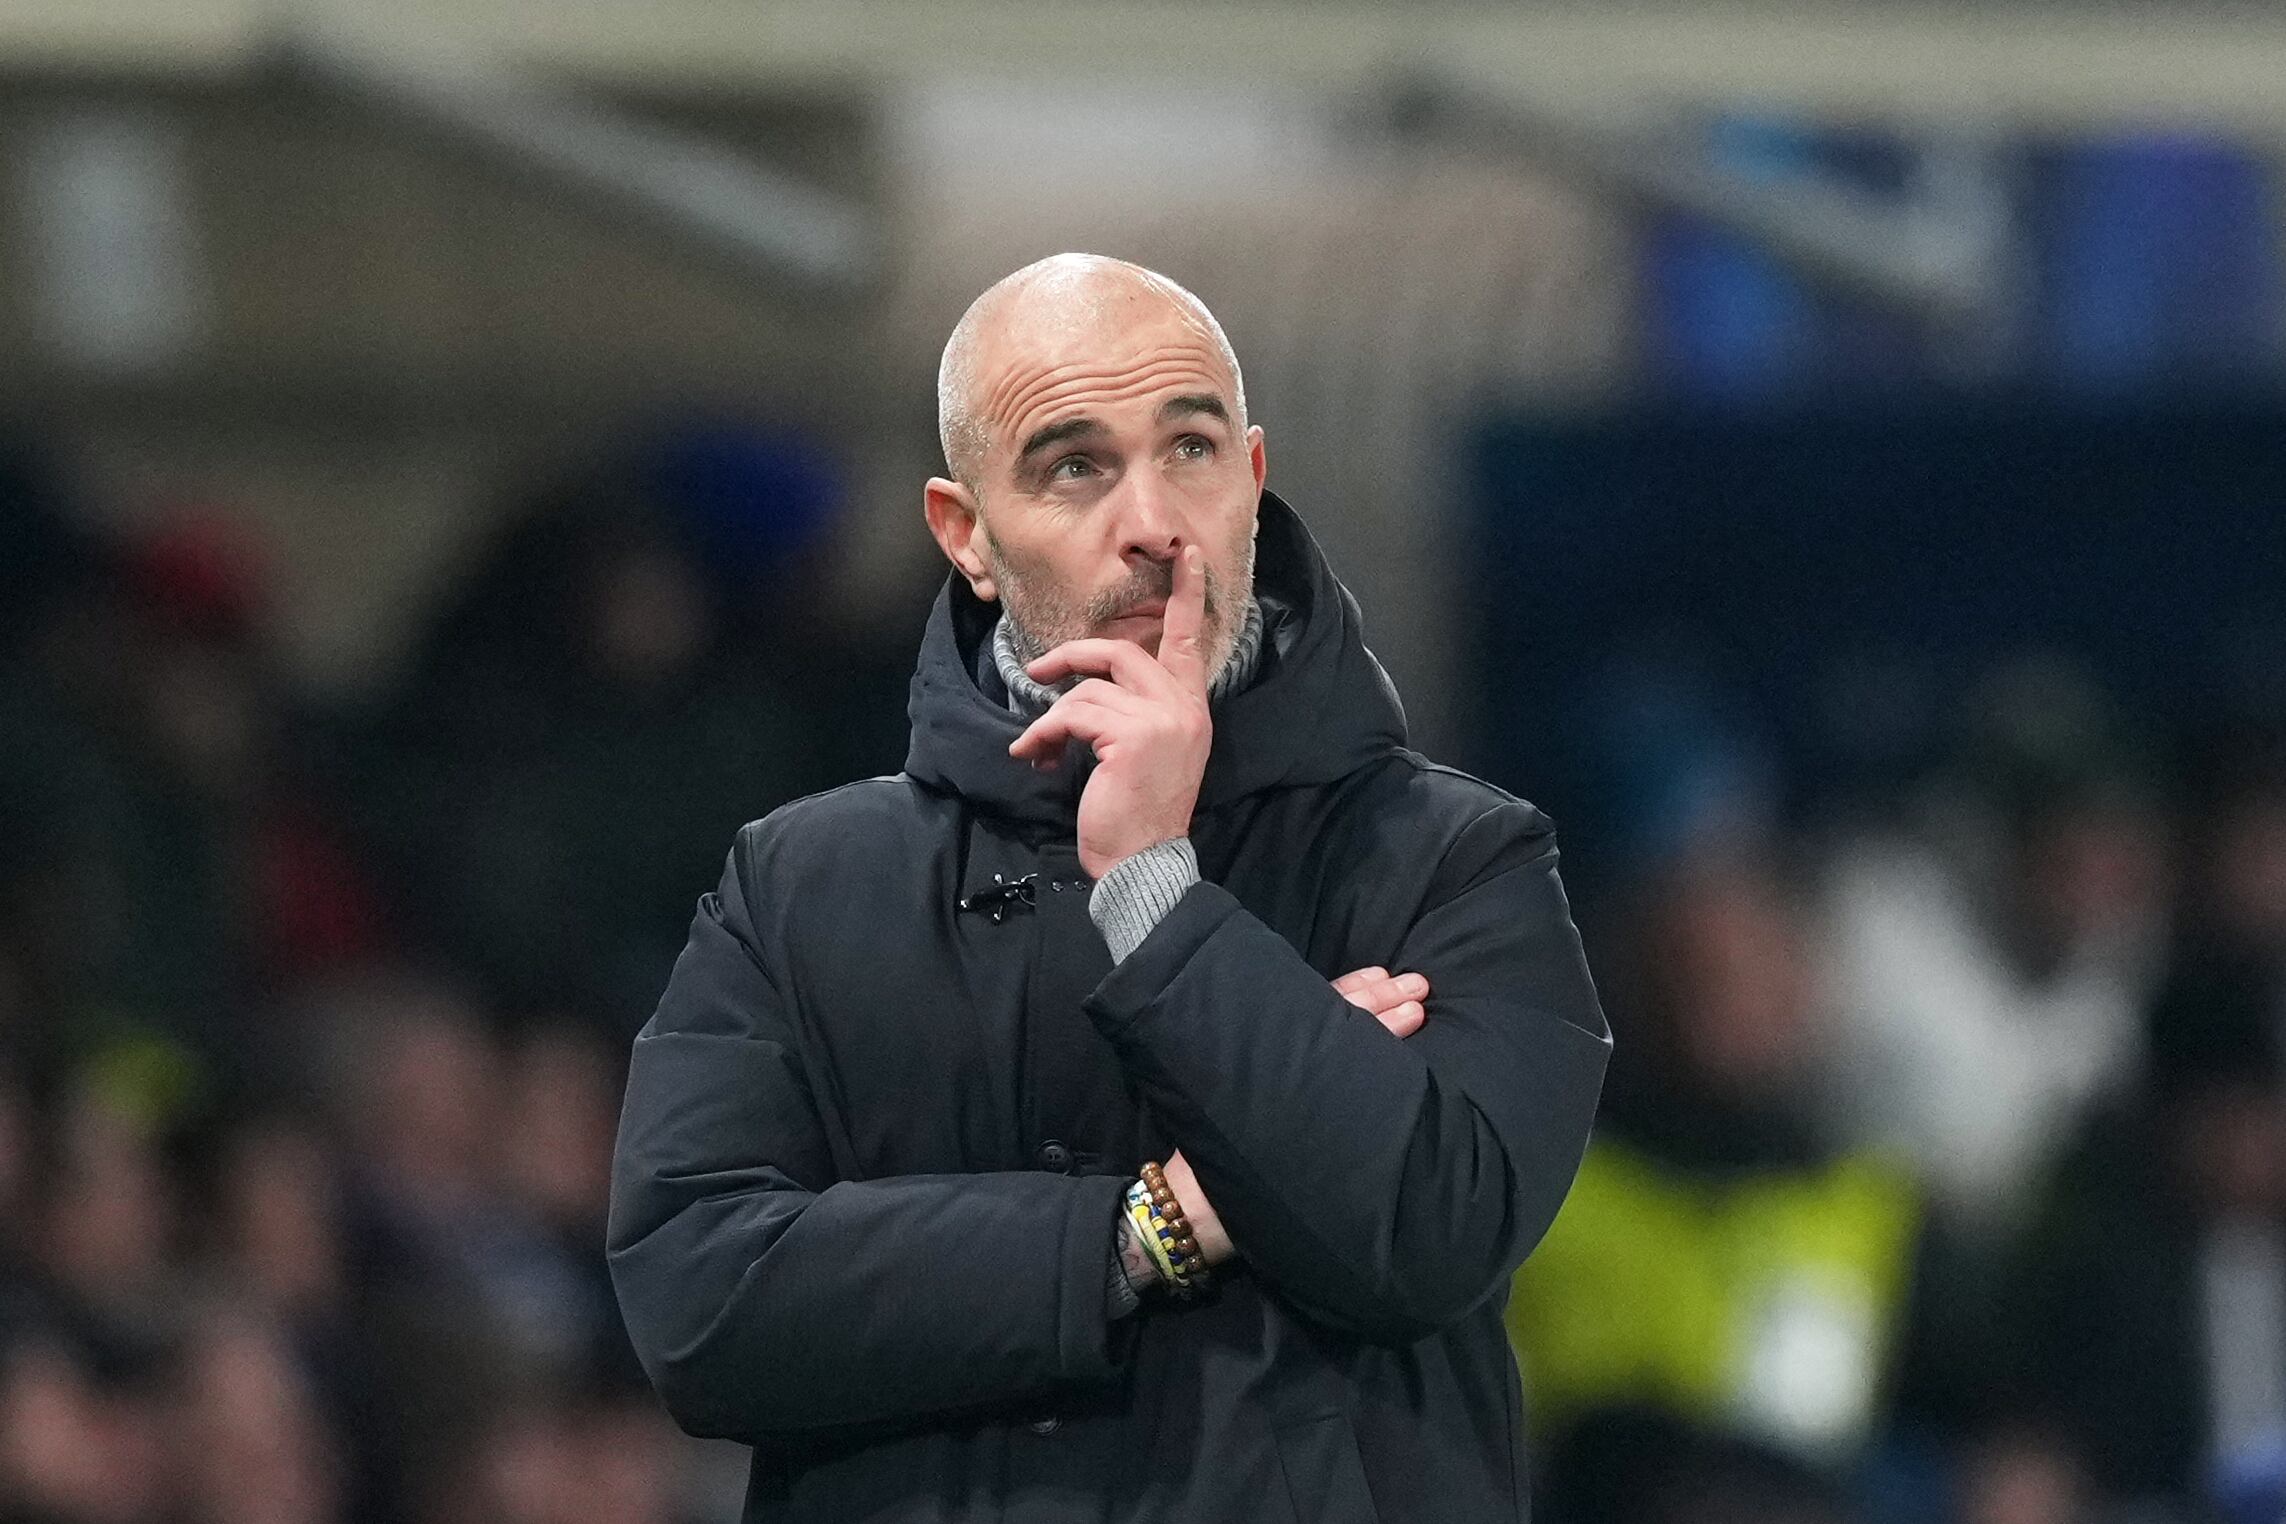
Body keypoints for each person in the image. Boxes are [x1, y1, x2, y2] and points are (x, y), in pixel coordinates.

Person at [607, 253, 1610, 1523]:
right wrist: (1154, 1223)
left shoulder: (1456, 859)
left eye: (1188, 449)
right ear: (964, 535)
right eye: (1074, 466)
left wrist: (1150, 884)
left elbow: (1423, 1235)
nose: (1151, 521)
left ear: (1252, 480)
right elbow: (698, 1303)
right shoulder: (801, 884)